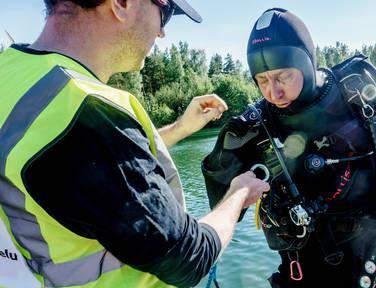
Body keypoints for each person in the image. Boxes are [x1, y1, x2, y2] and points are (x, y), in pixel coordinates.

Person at [0, 0, 269, 287]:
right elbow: (189, 257)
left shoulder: (14, 76)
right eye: (164, 14)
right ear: (122, 3)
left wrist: (179, 129)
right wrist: (238, 194)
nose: (162, 32)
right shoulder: (82, 106)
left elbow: (86, 173)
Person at [202, 8, 376, 288]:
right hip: (301, 270)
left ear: (306, 62)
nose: (273, 92)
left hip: (370, 262)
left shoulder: (356, 93)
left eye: (283, 76)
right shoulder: (254, 130)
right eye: (262, 80)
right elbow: (222, 209)